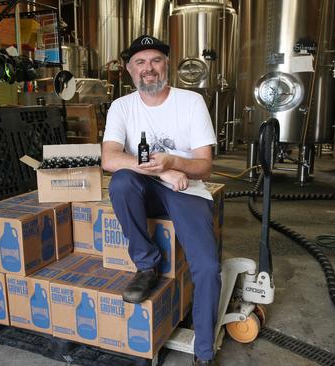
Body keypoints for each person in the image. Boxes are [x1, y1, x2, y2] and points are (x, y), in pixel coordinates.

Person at [101, 35, 221, 366]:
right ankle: (147, 264)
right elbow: (109, 158)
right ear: (129, 70)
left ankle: (205, 354)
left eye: (155, 60)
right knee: (122, 182)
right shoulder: (121, 107)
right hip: (149, 189)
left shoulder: (191, 102)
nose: (148, 69)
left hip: (187, 191)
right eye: (140, 62)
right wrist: (161, 172)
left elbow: (205, 167)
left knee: (208, 268)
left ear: (166, 65)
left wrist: (173, 163)